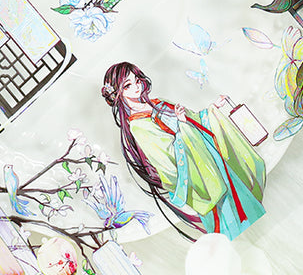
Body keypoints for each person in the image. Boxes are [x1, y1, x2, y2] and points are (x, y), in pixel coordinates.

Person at [101, 62, 266, 240]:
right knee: (229, 219)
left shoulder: (158, 103)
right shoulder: (138, 126)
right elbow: (168, 163)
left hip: (214, 160)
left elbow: (194, 120)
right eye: (128, 85)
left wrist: (212, 109)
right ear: (118, 93)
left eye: (137, 80)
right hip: (201, 173)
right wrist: (182, 127)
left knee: (246, 206)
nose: (136, 87)